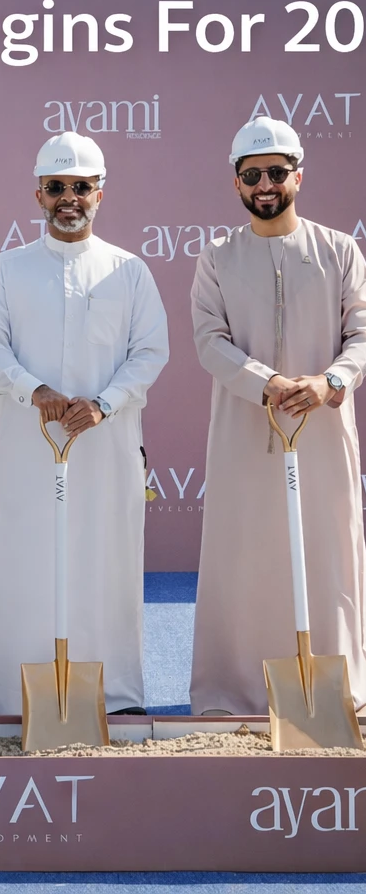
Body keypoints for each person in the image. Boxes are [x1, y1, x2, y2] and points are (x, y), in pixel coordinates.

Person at [0, 131, 169, 715]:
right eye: (56, 186)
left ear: (99, 193)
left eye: (81, 186)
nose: (69, 198)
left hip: (106, 446)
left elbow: (149, 352)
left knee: (108, 560)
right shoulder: (6, 269)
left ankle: (116, 695)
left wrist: (104, 403)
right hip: (25, 446)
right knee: (23, 560)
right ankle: (17, 696)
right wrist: (33, 391)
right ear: (38, 193)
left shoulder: (129, 270)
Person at [190, 115, 366, 716]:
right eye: (252, 175)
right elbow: (209, 341)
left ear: (298, 176)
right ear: (236, 182)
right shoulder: (217, 257)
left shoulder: (340, 250)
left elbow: (361, 334)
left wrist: (329, 382)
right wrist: (265, 383)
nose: (264, 185)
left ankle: (334, 690)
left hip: (323, 432)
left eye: (276, 172)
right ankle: (233, 691)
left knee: (328, 553)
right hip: (244, 433)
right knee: (242, 558)